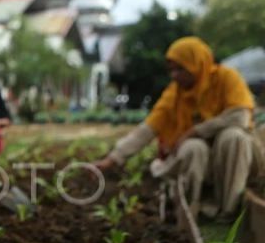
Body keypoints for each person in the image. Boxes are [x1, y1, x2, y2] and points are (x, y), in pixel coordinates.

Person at [94, 36, 264, 219]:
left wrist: (195, 131)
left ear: (197, 63)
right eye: (171, 70)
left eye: (180, 68)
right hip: (205, 161)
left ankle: (229, 210)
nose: (174, 75)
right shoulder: (174, 93)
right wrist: (113, 158)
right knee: (193, 147)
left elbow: (240, 116)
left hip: (240, 156)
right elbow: (148, 128)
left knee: (232, 136)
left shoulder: (227, 78)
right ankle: (194, 209)